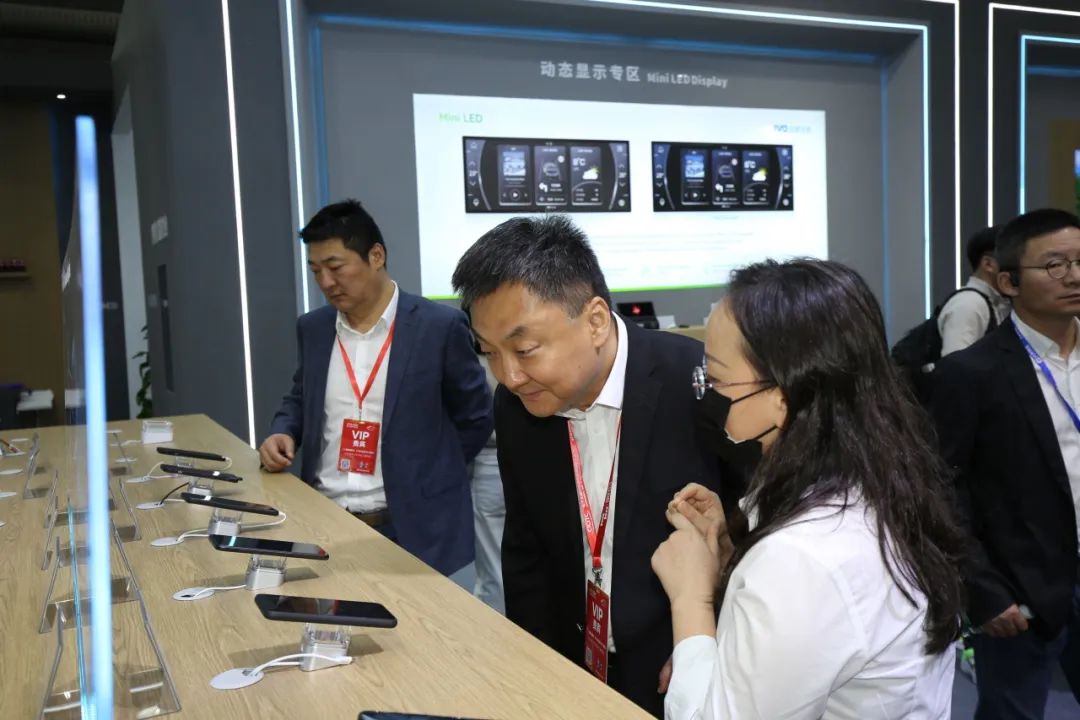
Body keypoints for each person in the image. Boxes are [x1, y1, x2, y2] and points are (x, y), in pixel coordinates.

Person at [653, 258, 965, 719]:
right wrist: (732, 554)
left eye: (715, 379)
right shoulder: (880, 477)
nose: (709, 392)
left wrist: (691, 598)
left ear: (782, 399)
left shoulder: (802, 558)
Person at [451, 215, 727, 717]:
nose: (509, 375)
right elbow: (527, 551)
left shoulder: (698, 384)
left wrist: (707, 649)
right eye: (488, 352)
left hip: (677, 673)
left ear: (596, 321)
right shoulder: (516, 405)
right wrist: (536, 676)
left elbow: (752, 535)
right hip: (572, 671)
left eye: (525, 350)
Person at [259, 199, 493, 577]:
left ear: (376, 256)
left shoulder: (438, 327)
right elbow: (301, 396)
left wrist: (433, 470)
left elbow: (476, 416)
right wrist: (283, 430)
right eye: (316, 271)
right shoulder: (314, 329)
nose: (326, 282)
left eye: (335, 267)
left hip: (415, 530)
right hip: (326, 523)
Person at [932, 208, 1080, 719]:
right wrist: (982, 591)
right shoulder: (970, 374)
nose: (1074, 276)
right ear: (1008, 281)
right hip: (1021, 587)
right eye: (1055, 265)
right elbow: (943, 491)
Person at [938, 226, 1012, 357]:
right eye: (1013, 258)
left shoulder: (999, 302)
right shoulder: (969, 304)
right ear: (988, 264)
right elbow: (956, 365)